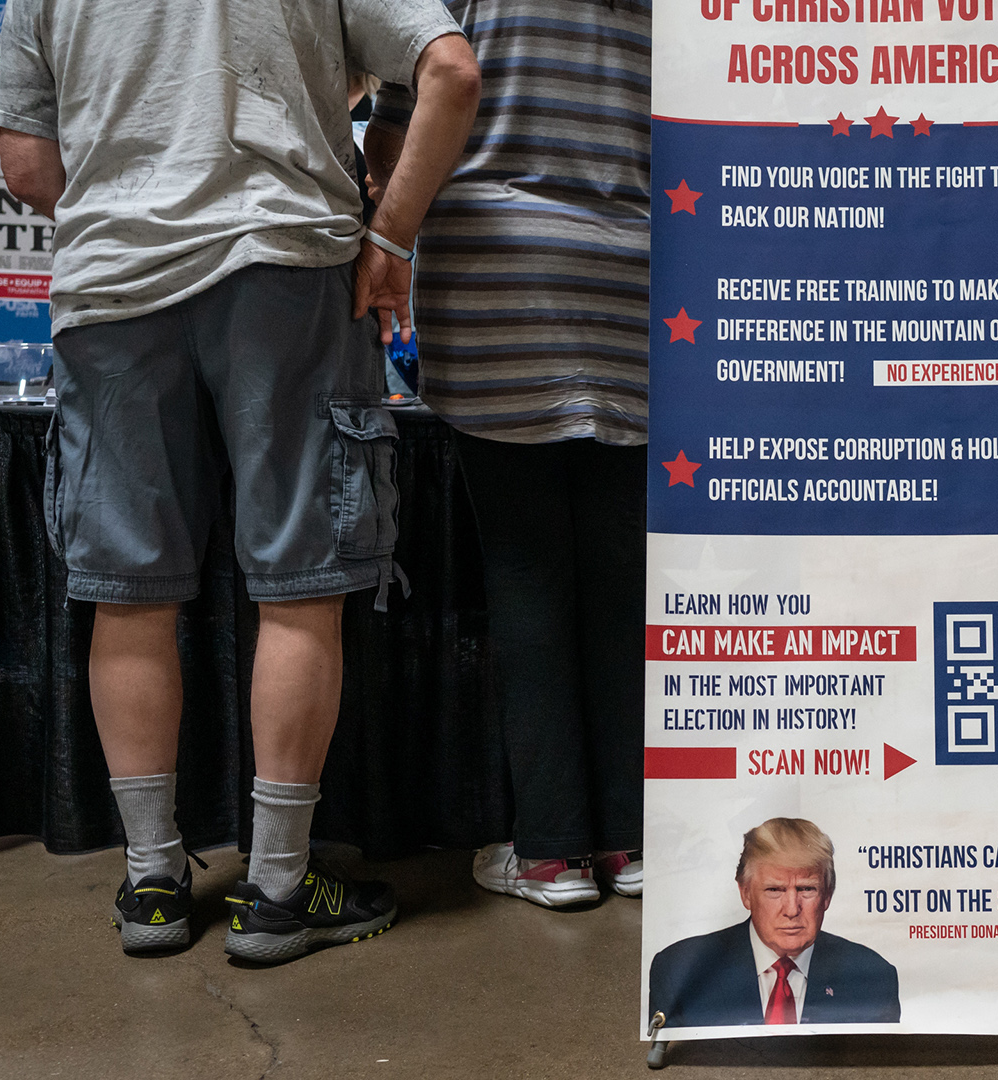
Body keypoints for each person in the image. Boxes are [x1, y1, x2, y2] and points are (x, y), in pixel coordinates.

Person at [0, 0, 480, 962]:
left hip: (113, 286)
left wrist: (136, 202)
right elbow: (450, 72)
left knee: (129, 592)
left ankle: (154, 884)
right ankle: (279, 893)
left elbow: (28, 165)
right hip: (286, 266)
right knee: (300, 585)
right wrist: (391, 238)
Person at [365, 0, 650, 910]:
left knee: (527, 575)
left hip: (497, 278)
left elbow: (413, 109)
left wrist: (386, 212)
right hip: (640, 280)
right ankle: (631, 843)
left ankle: (552, 853)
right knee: (621, 580)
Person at [647, 818, 901, 1027]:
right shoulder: (678, 969)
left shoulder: (875, 977)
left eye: (806, 889)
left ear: (827, 895)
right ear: (745, 893)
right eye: (774, 890)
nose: (792, 909)